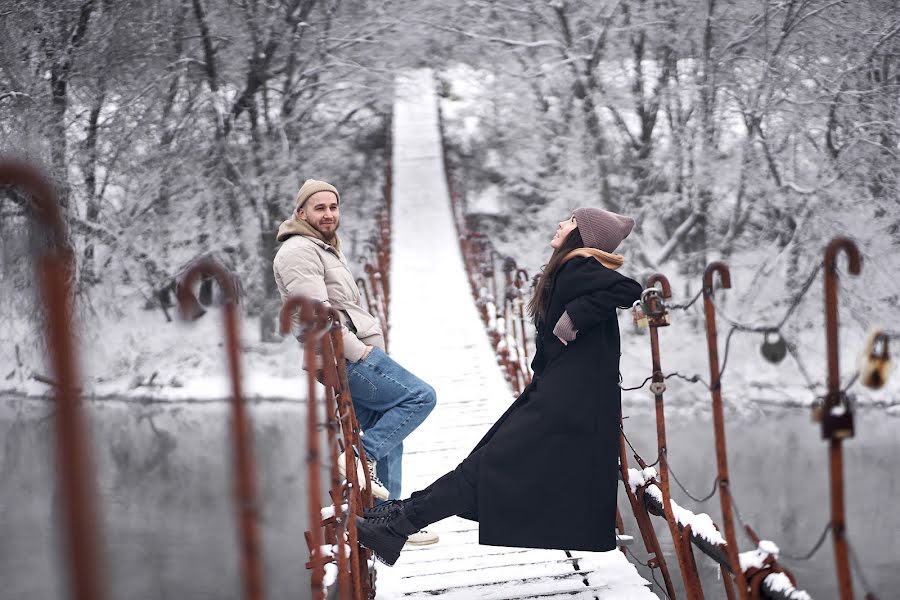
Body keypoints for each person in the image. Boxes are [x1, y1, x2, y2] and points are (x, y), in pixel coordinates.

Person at [354, 207, 643, 565]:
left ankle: (398, 523)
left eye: (570, 221)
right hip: (554, 396)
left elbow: (630, 288)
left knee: (485, 469)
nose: (560, 224)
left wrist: (575, 318)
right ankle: (399, 518)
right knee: (481, 466)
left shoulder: (579, 267)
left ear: (583, 235)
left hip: (565, 405)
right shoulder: (571, 268)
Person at [273, 179, 439, 545]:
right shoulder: (299, 252)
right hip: (342, 354)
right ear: (301, 213)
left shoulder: (324, 247)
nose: (329, 214)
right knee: (420, 397)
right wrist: (359, 351)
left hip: (348, 350)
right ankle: (358, 458)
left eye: (333, 207)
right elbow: (316, 318)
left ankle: (387, 519)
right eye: (319, 208)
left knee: (389, 429)